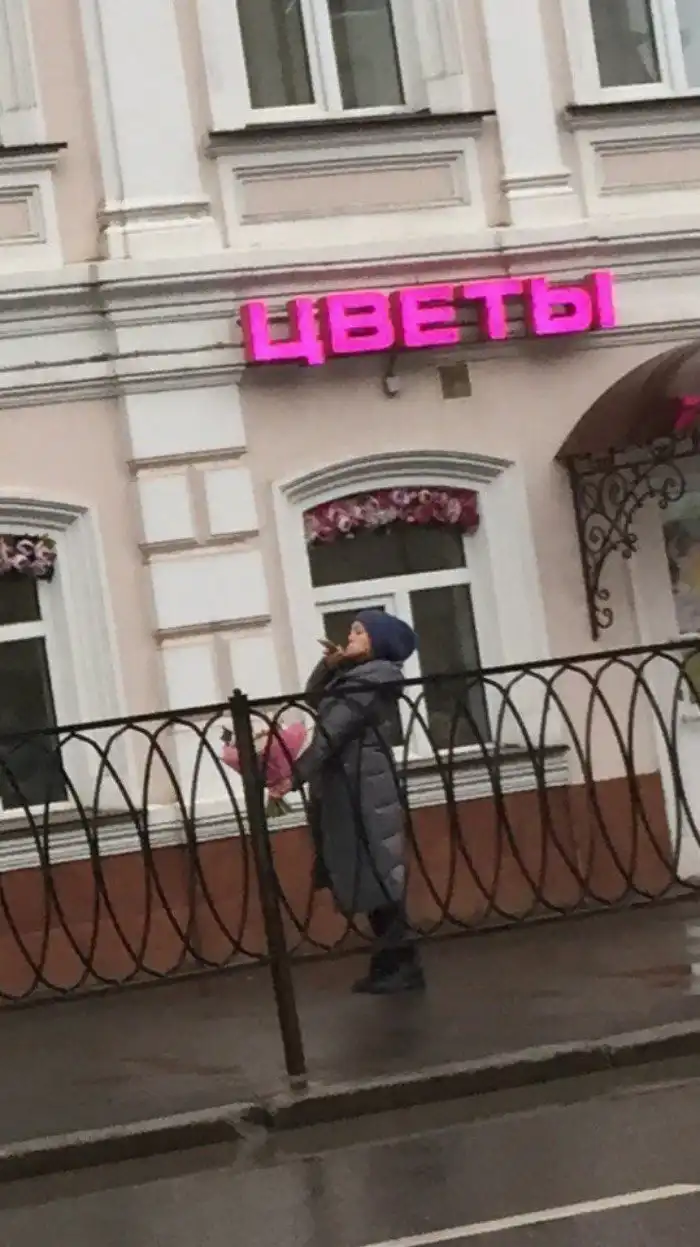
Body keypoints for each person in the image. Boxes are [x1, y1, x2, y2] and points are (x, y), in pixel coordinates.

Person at [271, 609, 424, 995]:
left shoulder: (373, 679)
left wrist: (293, 776)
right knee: (367, 872)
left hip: (364, 786)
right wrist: (330, 665)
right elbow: (314, 699)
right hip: (349, 783)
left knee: (378, 871)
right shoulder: (355, 676)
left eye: (359, 632)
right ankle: (389, 963)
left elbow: (331, 732)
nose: (350, 636)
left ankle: (403, 965)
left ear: (377, 641)